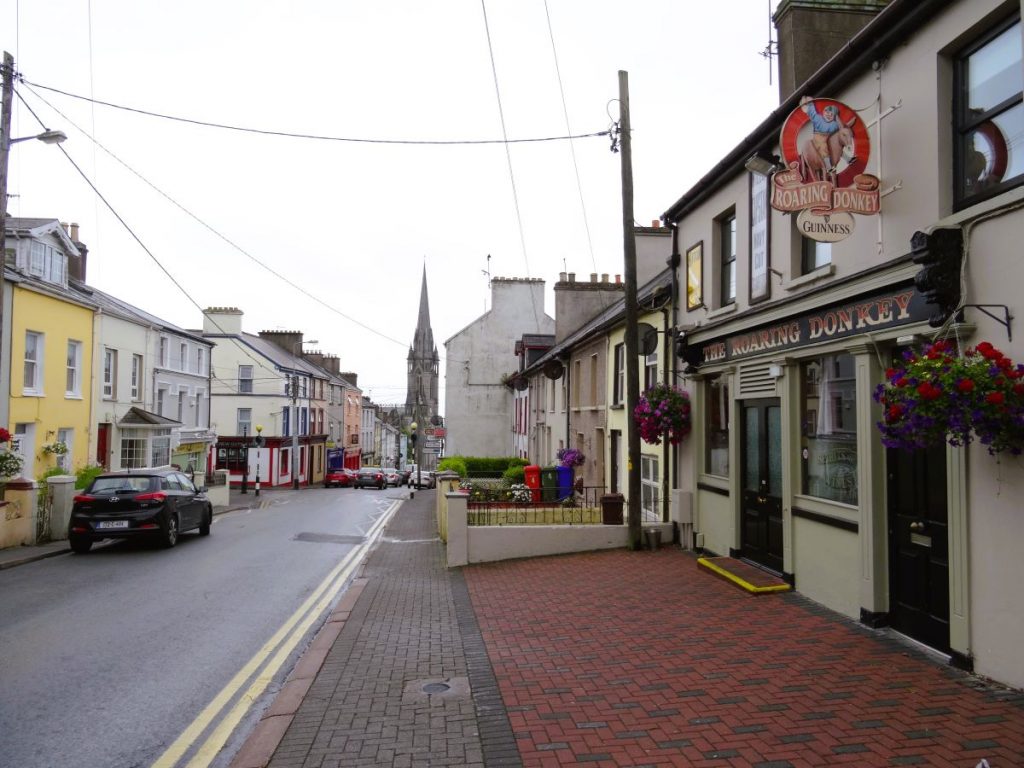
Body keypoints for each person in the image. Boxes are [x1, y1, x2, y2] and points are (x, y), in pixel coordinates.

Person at [800, 95, 841, 175]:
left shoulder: (835, 124)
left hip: (829, 137)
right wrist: (810, 103)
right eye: (827, 112)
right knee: (823, 147)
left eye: (831, 114)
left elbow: (840, 128)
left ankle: (847, 158)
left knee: (838, 146)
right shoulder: (818, 118)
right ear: (823, 112)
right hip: (819, 137)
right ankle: (829, 167)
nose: (828, 115)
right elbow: (812, 112)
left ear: (834, 116)